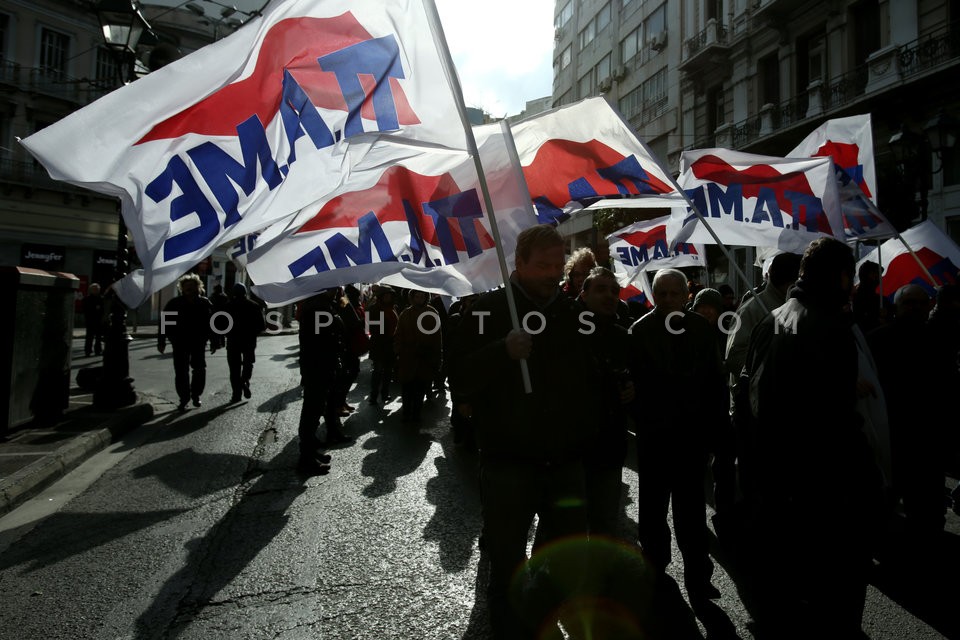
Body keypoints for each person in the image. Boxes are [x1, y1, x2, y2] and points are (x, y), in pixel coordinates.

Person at [454, 224, 599, 638]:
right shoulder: (487, 310)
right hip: (508, 464)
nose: (552, 273)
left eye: (558, 265)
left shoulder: (574, 312)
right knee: (507, 565)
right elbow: (460, 378)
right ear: (518, 263)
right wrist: (502, 351)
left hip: (566, 463)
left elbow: (588, 376)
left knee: (563, 560)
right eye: (542, 265)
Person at [739, 237, 883, 638]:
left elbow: (754, 404)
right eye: (850, 277)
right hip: (824, 487)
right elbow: (836, 420)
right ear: (841, 276)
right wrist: (870, 482)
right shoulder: (829, 327)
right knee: (834, 601)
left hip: (781, 483)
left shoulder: (775, 318)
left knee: (793, 595)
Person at [626, 268, 726, 603]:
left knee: (692, 514)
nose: (667, 300)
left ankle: (698, 576)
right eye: (661, 293)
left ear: (686, 295)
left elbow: (715, 384)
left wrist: (715, 436)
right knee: (653, 513)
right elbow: (633, 384)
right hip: (655, 440)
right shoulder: (639, 331)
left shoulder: (700, 329)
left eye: (673, 293)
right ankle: (655, 569)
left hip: (691, 441)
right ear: (654, 295)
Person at [578, 267, 634, 539]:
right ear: (583, 294)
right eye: (601, 289)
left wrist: (634, 389)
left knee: (604, 526)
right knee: (566, 528)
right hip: (571, 451)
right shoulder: (564, 330)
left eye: (614, 291)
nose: (610, 296)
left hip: (609, 448)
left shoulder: (623, 337)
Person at [157, 273, 214, 411]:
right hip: (179, 342)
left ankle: (196, 395)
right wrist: (161, 341)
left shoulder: (204, 303)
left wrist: (214, 341)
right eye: (186, 286)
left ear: (197, 287)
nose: (189, 289)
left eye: (192, 286)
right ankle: (184, 398)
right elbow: (164, 323)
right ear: (182, 288)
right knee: (181, 371)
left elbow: (212, 324)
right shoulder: (175, 303)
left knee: (199, 369)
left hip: (198, 342)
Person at [394, 289, 443, 425]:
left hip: (424, 358)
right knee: (407, 389)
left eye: (422, 296)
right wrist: (399, 351)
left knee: (420, 389)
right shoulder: (406, 313)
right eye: (417, 296)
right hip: (407, 358)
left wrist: (437, 357)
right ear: (412, 297)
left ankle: (416, 414)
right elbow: (398, 334)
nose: (420, 299)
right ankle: (406, 413)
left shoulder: (432, 313)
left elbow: (437, 338)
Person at [224, 283, 266, 403]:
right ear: (245, 292)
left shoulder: (228, 306)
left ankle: (236, 394)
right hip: (249, 341)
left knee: (234, 369)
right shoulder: (254, 306)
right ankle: (244, 381)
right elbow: (261, 326)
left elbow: (221, 325)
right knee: (248, 364)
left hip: (233, 341)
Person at [366, 285, 399, 405]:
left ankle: (385, 393)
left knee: (388, 372)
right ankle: (373, 395)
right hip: (379, 345)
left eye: (389, 296)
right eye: (385, 295)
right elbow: (370, 327)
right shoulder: (374, 309)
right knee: (378, 371)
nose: (388, 298)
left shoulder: (393, 308)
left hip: (390, 345)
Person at [81, 282, 104, 357]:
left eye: (97, 289)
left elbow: (103, 309)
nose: (96, 291)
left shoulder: (101, 298)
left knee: (98, 337)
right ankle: (88, 351)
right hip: (90, 320)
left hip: (98, 320)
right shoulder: (87, 299)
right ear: (91, 290)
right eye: (94, 289)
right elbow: (85, 309)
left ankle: (98, 350)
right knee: (89, 337)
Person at [209, 284, 230, 351]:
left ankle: (215, 343)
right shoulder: (224, 297)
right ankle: (222, 343)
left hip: (214, 315)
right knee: (222, 330)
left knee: (214, 330)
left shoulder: (212, 297)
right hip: (222, 315)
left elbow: (210, 306)